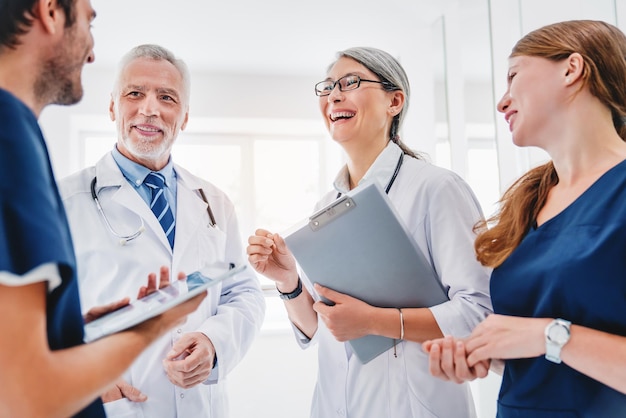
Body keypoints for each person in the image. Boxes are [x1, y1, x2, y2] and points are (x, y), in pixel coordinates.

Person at [247, 46, 492, 418]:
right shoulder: (327, 204)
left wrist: (376, 321)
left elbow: (480, 315)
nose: (334, 95)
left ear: (395, 101)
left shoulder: (436, 189)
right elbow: (320, 326)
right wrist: (287, 280)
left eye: (351, 82)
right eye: (328, 87)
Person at [0, 1, 206, 417]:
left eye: (166, 97)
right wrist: (154, 324)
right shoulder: (9, 138)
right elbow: (23, 396)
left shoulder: (16, 132)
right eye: (89, 21)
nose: (92, 51)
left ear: (184, 116)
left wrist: (78, 328)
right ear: (51, 12)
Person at [423, 20, 626, 417]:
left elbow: (548, 340)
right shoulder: (529, 205)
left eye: (513, 75)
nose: (502, 102)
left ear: (572, 68)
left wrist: (550, 336)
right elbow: (542, 354)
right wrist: (482, 353)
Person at [58, 43, 266, 418]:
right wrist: (81, 374)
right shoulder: (63, 201)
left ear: (184, 116)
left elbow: (243, 291)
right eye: (134, 93)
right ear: (112, 107)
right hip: (114, 403)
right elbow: (30, 314)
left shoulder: (214, 203)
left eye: (166, 97)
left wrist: (213, 342)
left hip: (200, 405)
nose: (150, 108)